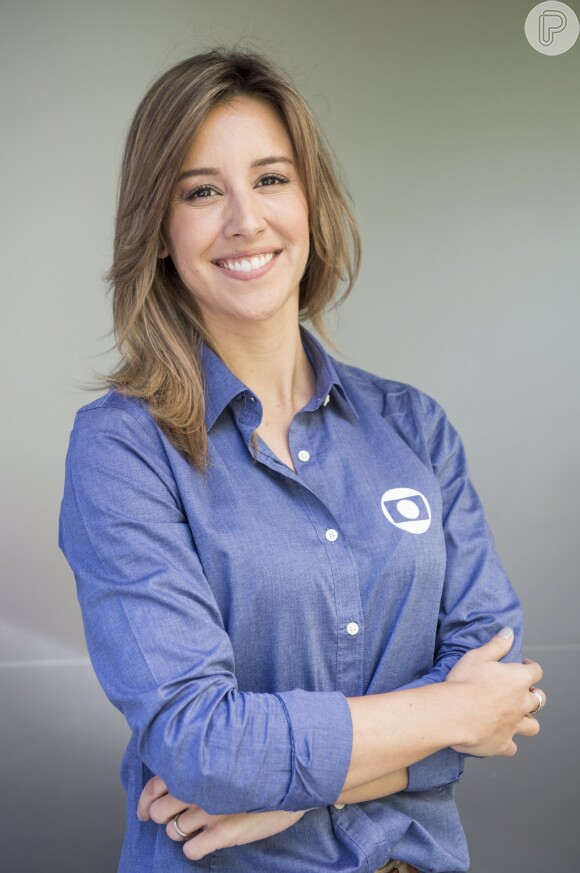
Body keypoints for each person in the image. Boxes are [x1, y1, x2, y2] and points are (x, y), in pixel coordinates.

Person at [58, 49, 545, 873]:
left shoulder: (414, 428)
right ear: (161, 230)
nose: (245, 219)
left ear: (311, 203)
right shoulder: (122, 449)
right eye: (202, 190)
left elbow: (498, 686)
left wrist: (290, 791)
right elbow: (198, 742)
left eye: (272, 179)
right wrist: (445, 720)